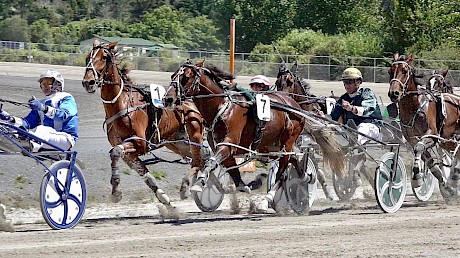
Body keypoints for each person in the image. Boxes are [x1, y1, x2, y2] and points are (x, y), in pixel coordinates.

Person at [0, 70, 78, 152]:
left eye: (48, 82)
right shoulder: (41, 102)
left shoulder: (66, 97)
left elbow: (64, 115)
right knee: (12, 127)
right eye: (43, 83)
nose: (45, 86)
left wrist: (43, 108)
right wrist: (9, 119)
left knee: (41, 129)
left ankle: (28, 144)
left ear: (57, 83)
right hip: (45, 139)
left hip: (65, 139)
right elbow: (28, 123)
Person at [330, 67, 383, 186]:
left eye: (349, 82)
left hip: (372, 127)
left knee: (361, 128)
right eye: (345, 82)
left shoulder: (366, 93)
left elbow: (367, 109)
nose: (346, 85)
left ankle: (354, 145)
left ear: (358, 82)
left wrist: (351, 108)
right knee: (337, 130)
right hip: (351, 130)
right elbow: (333, 117)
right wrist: (322, 116)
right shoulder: (343, 98)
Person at [249, 75, 271, 150]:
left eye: (259, 85)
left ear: (265, 87)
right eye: (252, 85)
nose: (255, 87)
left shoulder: (264, 98)